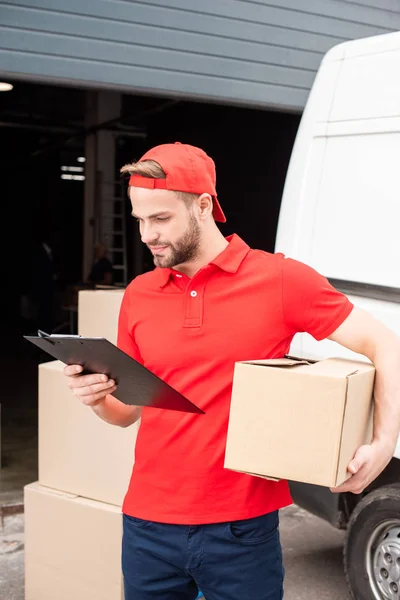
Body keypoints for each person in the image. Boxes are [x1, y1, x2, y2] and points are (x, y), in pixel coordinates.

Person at [64, 142, 400, 600]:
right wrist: (98, 397)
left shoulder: (280, 280)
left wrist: (383, 444)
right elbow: (127, 413)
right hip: (147, 525)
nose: (147, 235)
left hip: (240, 531)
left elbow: (386, 344)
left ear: (203, 206)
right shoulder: (140, 294)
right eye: (140, 219)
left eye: (161, 219)